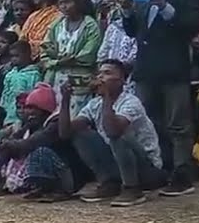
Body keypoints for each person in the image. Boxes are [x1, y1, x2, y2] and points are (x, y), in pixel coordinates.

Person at [123, 0, 199, 196]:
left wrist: (166, 8)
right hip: (146, 69)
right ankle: (156, 171)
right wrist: (127, 10)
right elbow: (133, 30)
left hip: (173, 68)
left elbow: (191, 27)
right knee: (147, 122)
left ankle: (182, 175)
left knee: (178, 124)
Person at [65, 60, 167, 206]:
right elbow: (66, 132)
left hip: (147, 169)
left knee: (118, 134)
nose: (101, 77)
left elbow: (113, 130)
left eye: (107, 73)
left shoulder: (131, 102)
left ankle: (132, 188)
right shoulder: (95, 104)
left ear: (122, 81)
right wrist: (65, 99)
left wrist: (107, 96)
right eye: (99, 73)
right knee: (80, 134)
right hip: (118, 162)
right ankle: (110, 183)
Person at [42, 0, 102, 116]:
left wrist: (72, 59)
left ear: (78, 2)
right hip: (55, 80)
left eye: (67, 2)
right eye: (61, 3)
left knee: (75, 119)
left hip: (79, 83)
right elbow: (45, 47)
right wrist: (57, 61)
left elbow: (90, 52)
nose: (64, 6)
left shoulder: (90, 25)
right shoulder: (56, 25)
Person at [0, 40, 41, 126]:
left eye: (17, 56)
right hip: (7, 111)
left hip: (22, 114)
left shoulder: (33, 74)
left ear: (27, 55)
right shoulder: (10, 74)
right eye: (12, 56)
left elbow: (32, 96)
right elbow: (5, 93)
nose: (13, 59)